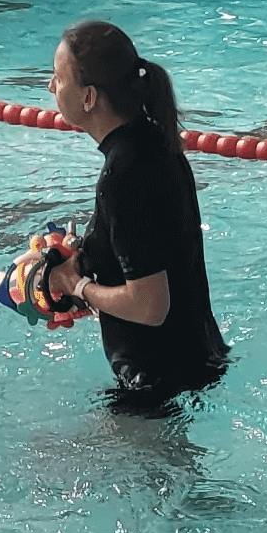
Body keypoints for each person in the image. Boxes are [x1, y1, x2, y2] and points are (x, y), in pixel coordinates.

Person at [37, 20, 229, 406]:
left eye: (58, 78)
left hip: (156, 386)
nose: (50, 87)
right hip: (198, 359)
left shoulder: (123, 175)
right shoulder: (155, 143)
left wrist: (76, 287)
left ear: (89, 97)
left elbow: (150, 305)